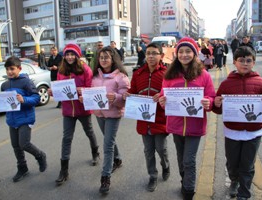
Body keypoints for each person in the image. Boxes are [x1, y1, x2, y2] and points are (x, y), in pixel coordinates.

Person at [212, 46, 262, 200]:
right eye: (241, 60)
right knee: (233, 163)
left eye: (249, 60)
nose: (245, 63)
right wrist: (216, 103)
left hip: (253, 133)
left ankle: (244, 194)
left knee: (247, 166)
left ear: (253, 62)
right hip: (232, 132)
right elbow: (218, 108)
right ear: (235, 62)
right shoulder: (226, 84)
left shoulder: (260, 82)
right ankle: (234, 181)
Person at [159, 37, 216, 200]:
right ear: (176, 54)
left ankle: (189, 190)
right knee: (180, 157)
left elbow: (211, 96)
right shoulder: (169, 74)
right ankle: (185, 180)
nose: (184, 55)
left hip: (195, 125)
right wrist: (163, 100)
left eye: (188, 51)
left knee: (189, 160)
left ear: (194, 53)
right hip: (176, 124)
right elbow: (164, 94)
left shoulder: (203, 75)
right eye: (181, 51)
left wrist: (208, 102)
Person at [0, 56, 47, 182]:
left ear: (19, 68)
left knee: (24, 144)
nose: (9, 72)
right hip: (12, 120)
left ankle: (40, 156)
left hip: (26, 119)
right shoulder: (4, 85)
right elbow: (4, 103)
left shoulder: (26, 82)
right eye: (7, 69)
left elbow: (36, 98)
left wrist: (24, 99)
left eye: (12, 69)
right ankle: (22, 168)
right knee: (16, 146)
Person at [123, 43, 170, 192]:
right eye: (148, 53)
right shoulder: (138, 74)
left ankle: (166, 165)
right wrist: (127, 95)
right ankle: (153, 176)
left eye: (154, 53)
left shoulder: (167, 74)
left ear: (161, 56)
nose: (150, 56)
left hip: (161, 120)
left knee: (161, 149)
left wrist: (164, 96)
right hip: (143, 120)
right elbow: (133, 91)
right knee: (148, 151)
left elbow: (173, 94)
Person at [53, 43, 100, 186]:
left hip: (82, 109)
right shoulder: (61, 71)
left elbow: (90, 87)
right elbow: (60, 90)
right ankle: (64, 170)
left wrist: (82, 91)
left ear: (77, 56)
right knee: (66, 138)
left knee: (89, 132)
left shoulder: (85, 69)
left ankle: (95, 152)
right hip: (68, 110)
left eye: (72, 54)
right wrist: (53, 92)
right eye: (67, 54)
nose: (69, 57)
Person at [91, 46, 130, 194]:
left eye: (106, 57)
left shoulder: (121, 76)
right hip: (99, 113)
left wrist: (117, 97)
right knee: (109, 140)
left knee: (107, 145)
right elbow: (91, 93)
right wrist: (85, 98)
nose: (104, 60)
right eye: (101, 58)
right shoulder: (95, 76)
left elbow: (126, 97)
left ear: (113, 59)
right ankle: (118, 159)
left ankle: (105, 177)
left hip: (113, 114)